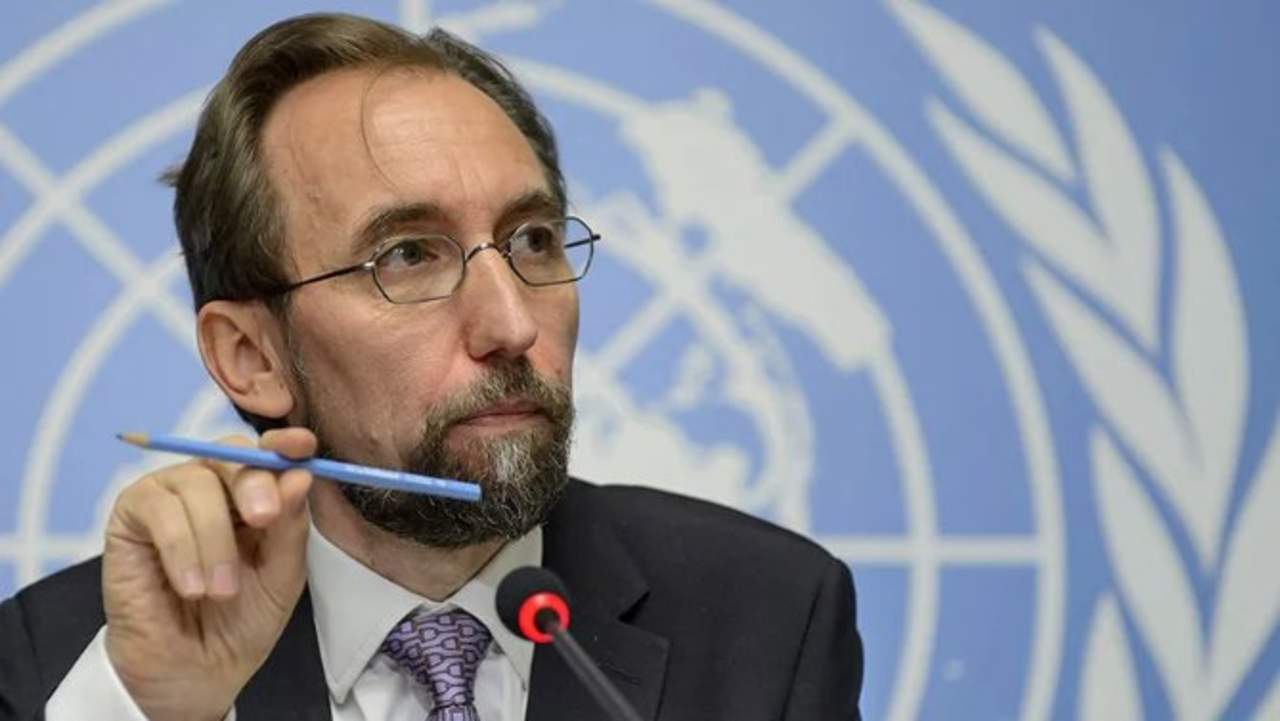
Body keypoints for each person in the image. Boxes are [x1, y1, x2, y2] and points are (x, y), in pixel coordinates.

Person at [0, 13, 863, 721]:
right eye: (408, 255)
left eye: (533, 239)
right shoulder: (75, 663)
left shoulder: (767, 617)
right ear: (251, 356)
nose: (511, 323)